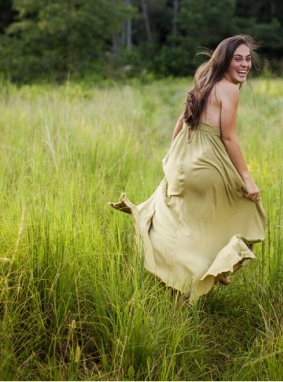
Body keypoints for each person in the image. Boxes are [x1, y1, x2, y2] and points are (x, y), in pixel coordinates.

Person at [110, 35, 267, 301]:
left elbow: (181, 123)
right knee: (247, 210)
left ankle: (211, 269)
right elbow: (228, 137)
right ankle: (215, 268)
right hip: (207, 164)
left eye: (248, 59)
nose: (244, 65)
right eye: (237, 59)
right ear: (225, 61)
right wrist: (247, 178)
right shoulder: (229, 89)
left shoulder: (203, 84)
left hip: (183, 161)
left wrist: (174, 160)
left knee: (188, 222)